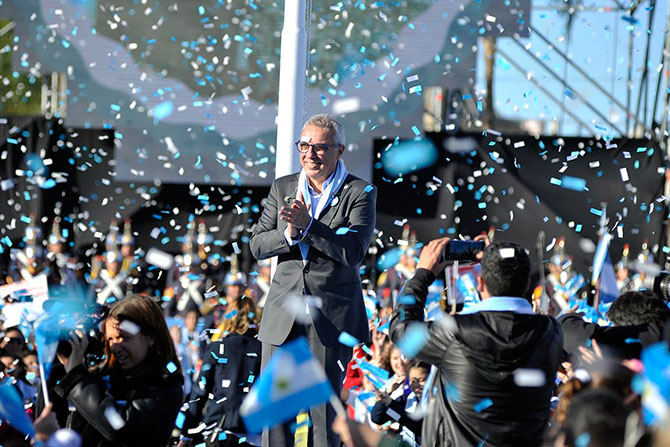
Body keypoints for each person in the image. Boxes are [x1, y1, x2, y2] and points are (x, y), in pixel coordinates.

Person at [249, 113, 377, 447]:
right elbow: (257, 244)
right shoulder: (283, 187)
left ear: (340, 150)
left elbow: (353, 251)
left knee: (324, 417)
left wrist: (310, 227)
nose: (310, 154)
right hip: (282, 316)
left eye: (320, 147)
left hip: (330, 318)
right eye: (304, 145)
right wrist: (289, 235)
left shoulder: (360, 192)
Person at [389, 238, 563, 447]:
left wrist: (423, 274)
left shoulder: (454, 332)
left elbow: (400, 329)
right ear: (527, 283)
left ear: (479, 282)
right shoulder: (551, 332)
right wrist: (499, 256)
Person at [54, 294, 184, 447]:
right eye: (110, 339)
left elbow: (119, 426)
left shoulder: (166, 386)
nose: (115, 346)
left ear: (151, 337)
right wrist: (61, 364)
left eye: (124, 337)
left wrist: (76, 378)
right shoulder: (100, 375)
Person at [178, 297, 262, 447]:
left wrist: (186, 433)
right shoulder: (264, 350)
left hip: (219, 429)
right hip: (253, 433)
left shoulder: (217, 348)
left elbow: (199, 392)